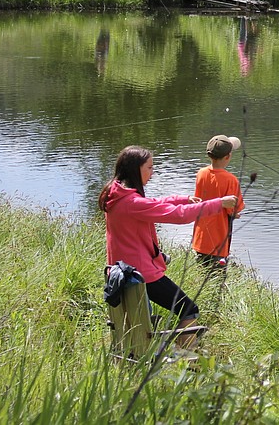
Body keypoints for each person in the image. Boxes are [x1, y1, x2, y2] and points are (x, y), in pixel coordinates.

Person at [99, 146, 237, 347]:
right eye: (149, 168)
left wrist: (181, 199)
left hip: (120, 270)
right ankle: (187, 361)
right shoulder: (133, 203)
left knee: (139, 321)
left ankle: (155, 354)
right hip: (141, 274)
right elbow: (179, 215)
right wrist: (219, 203)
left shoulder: (114, 194)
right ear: (135, 169)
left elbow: (153, 203)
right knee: (189, 309)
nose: (152, 173)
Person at [192, 135, 246, 268]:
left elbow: (198, 200)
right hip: (219, 241)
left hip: (200, 238)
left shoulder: (201, 173)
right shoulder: (231, 180)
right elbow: (235, 208)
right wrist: (235, 214)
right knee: (217, 277)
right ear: (228, 157)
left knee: (201, 273)